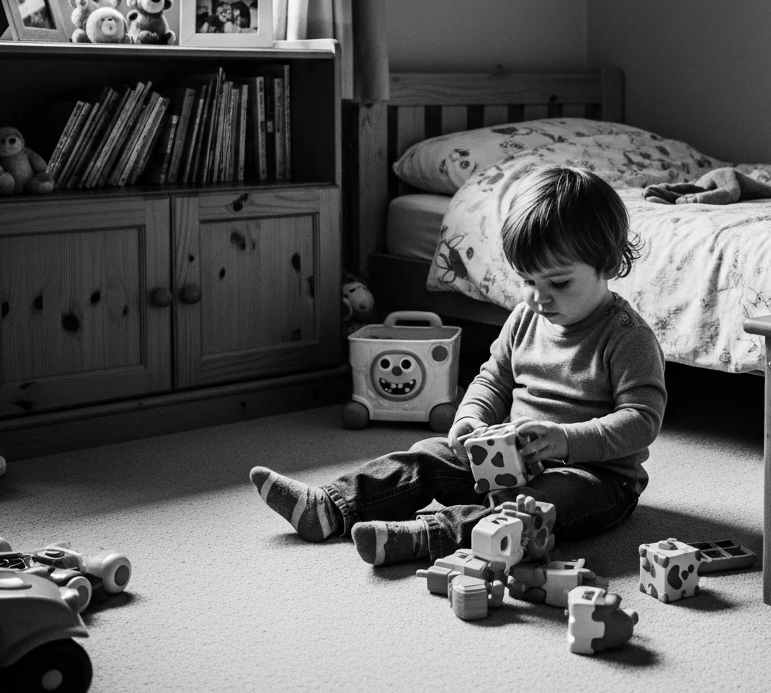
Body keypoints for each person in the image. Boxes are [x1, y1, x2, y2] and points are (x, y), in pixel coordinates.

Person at [250, 165, 667, 566]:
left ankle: (427, 537)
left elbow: (641, 421)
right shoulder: (525, 318)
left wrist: (566, 440)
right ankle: (332, 506)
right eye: (527, 281)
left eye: (558, 283)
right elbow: (494, 379)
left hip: (597, 479)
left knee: (541, 505)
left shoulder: (628, 337)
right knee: (426, 455)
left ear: (609, 265)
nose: (539, 298)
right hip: (508, 464)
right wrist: (471, 418)